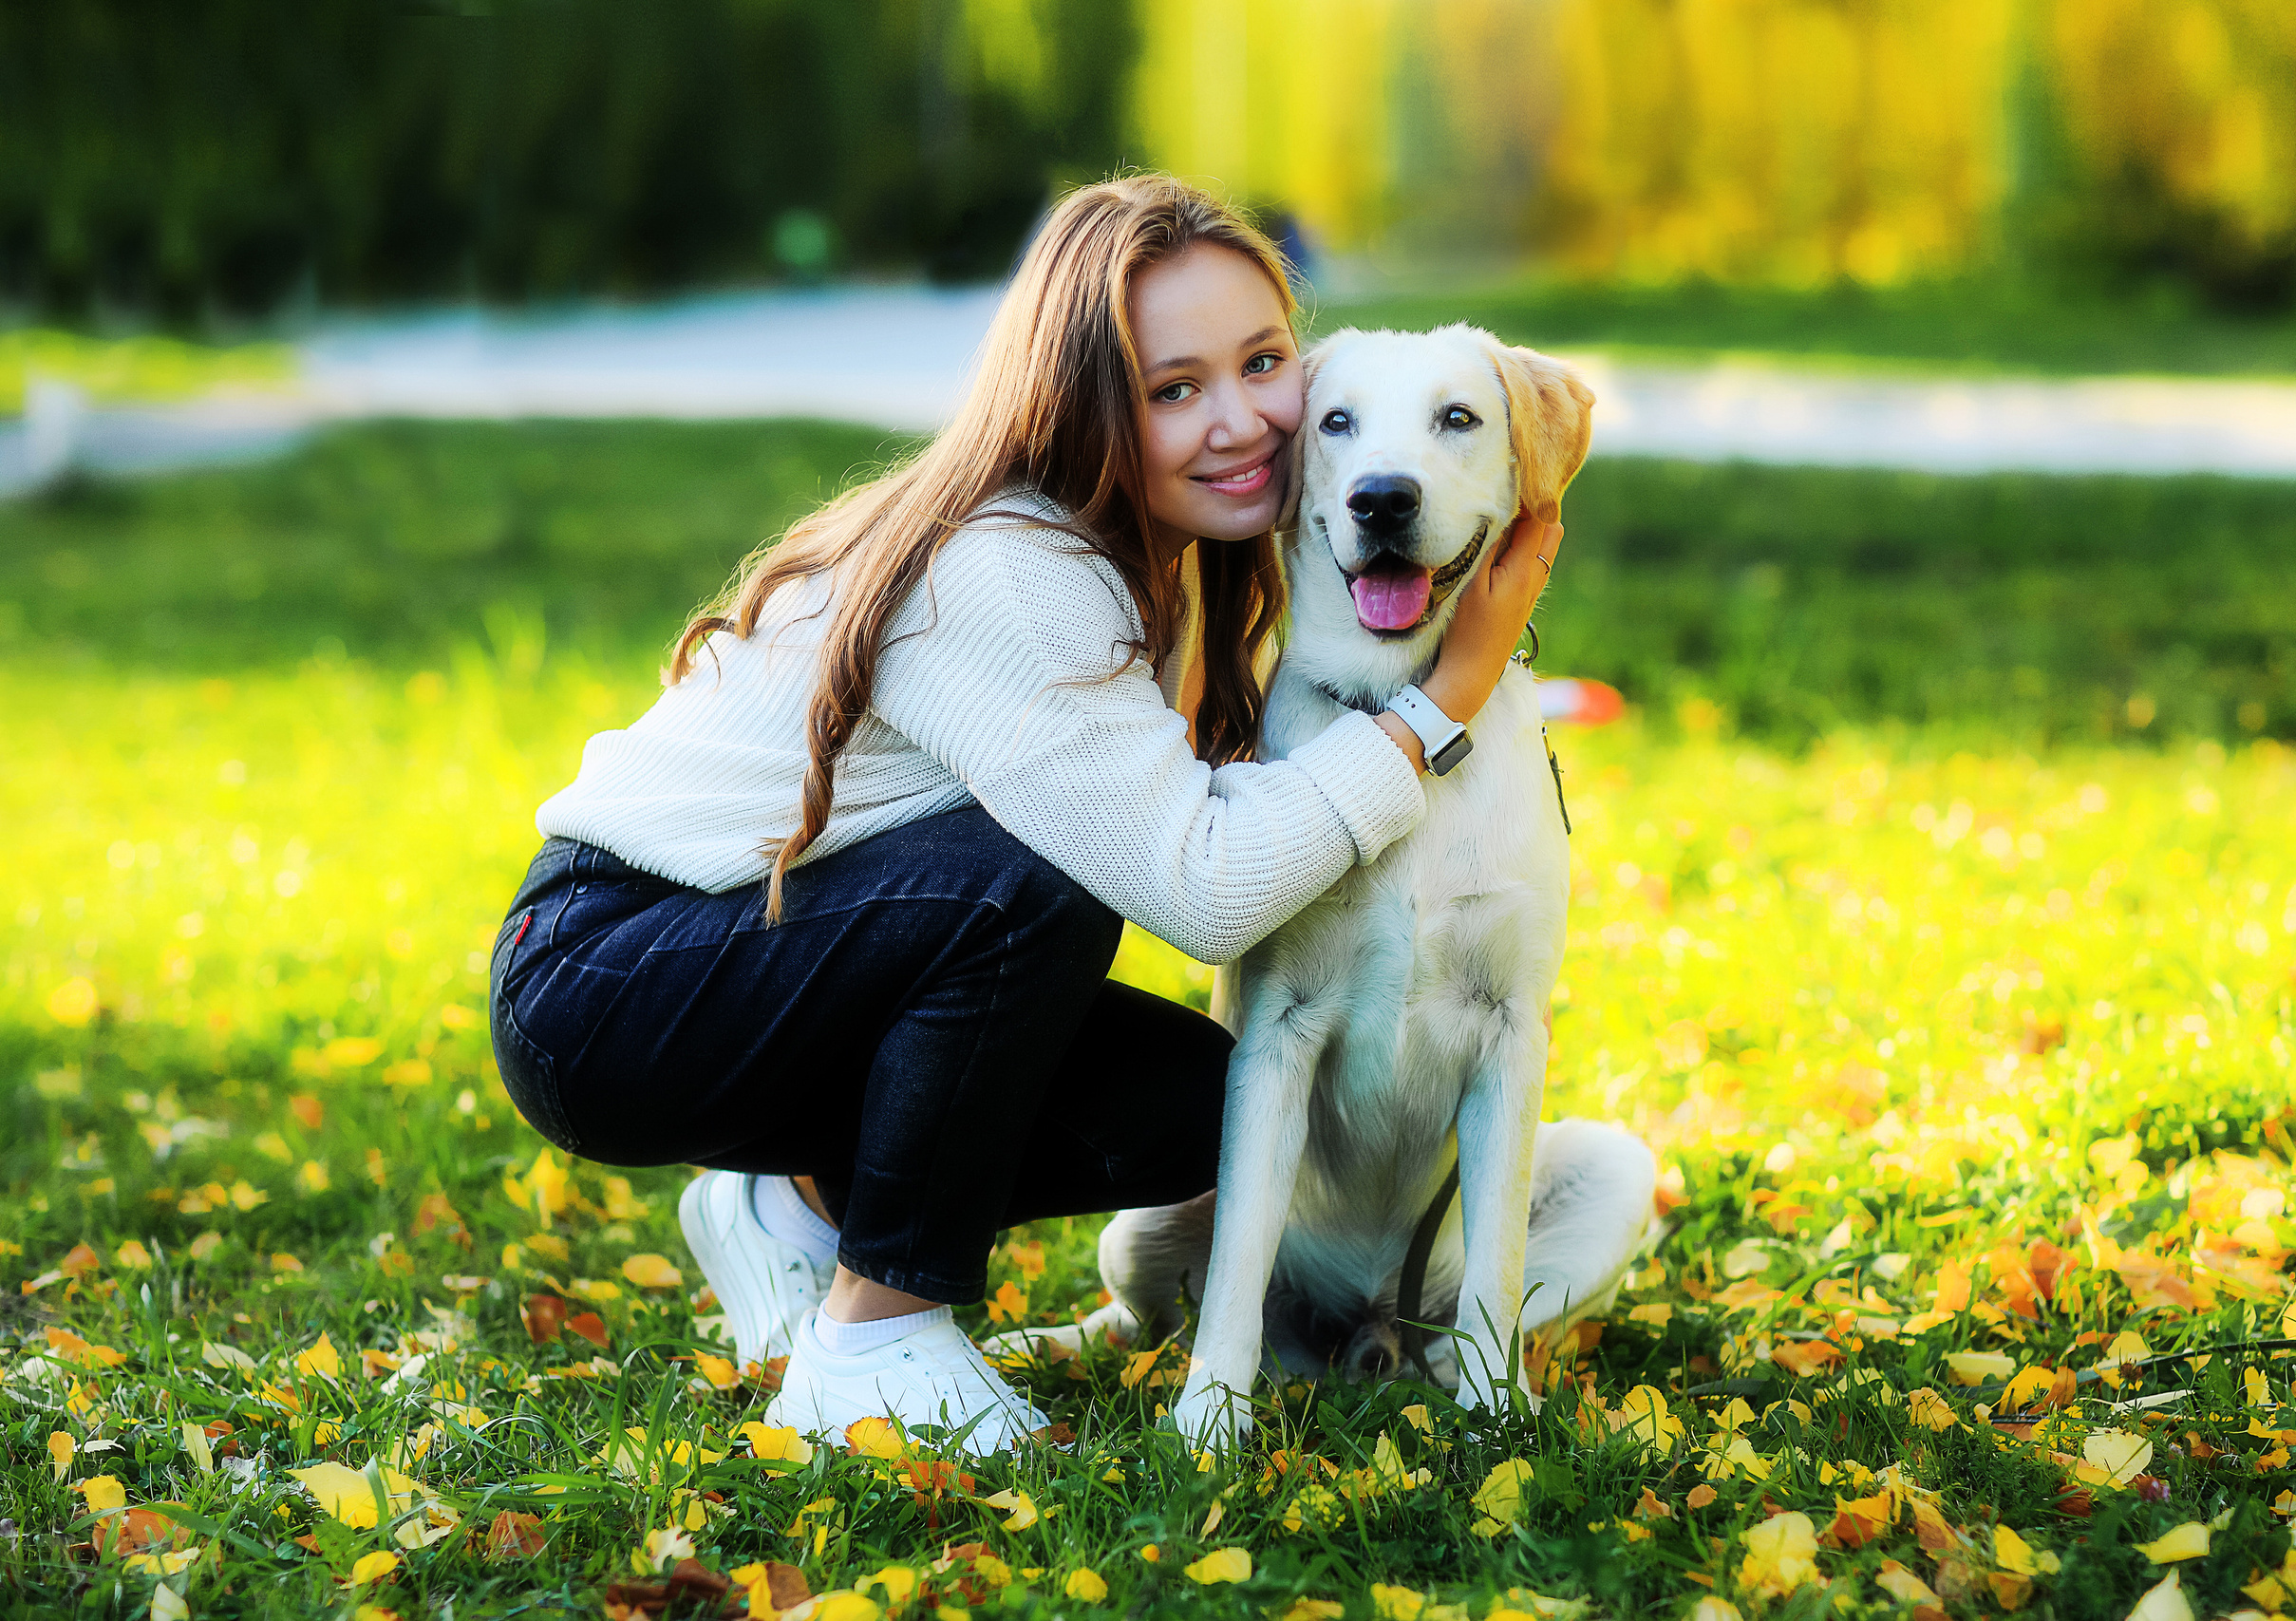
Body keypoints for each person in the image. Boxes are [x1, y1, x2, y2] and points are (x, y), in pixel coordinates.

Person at [486, 175, 1562, 1453]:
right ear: (1084, 401)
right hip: (604, 983)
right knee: (1030, 885)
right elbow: (1202, 886)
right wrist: (1445, 700)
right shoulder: (1011, 568)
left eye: (1263, 362)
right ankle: (873, 1342)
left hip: (760, 951)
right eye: (1174, 389)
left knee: (1184, 1107)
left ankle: (795, 1212)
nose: (1243, 422)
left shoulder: (1144, 557)